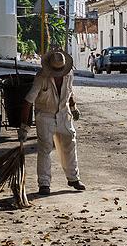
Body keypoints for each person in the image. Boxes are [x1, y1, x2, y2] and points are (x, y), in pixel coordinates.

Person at [19, 50, 86, 195]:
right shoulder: (41, 78)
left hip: (63, 114)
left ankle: (73, 178)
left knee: (70, 143)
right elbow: (27, 102)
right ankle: (44, 183)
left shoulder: (68, 74)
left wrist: (74, 107)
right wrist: (24, 126)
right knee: (45, 149)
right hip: (45, 115)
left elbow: (70, 92)